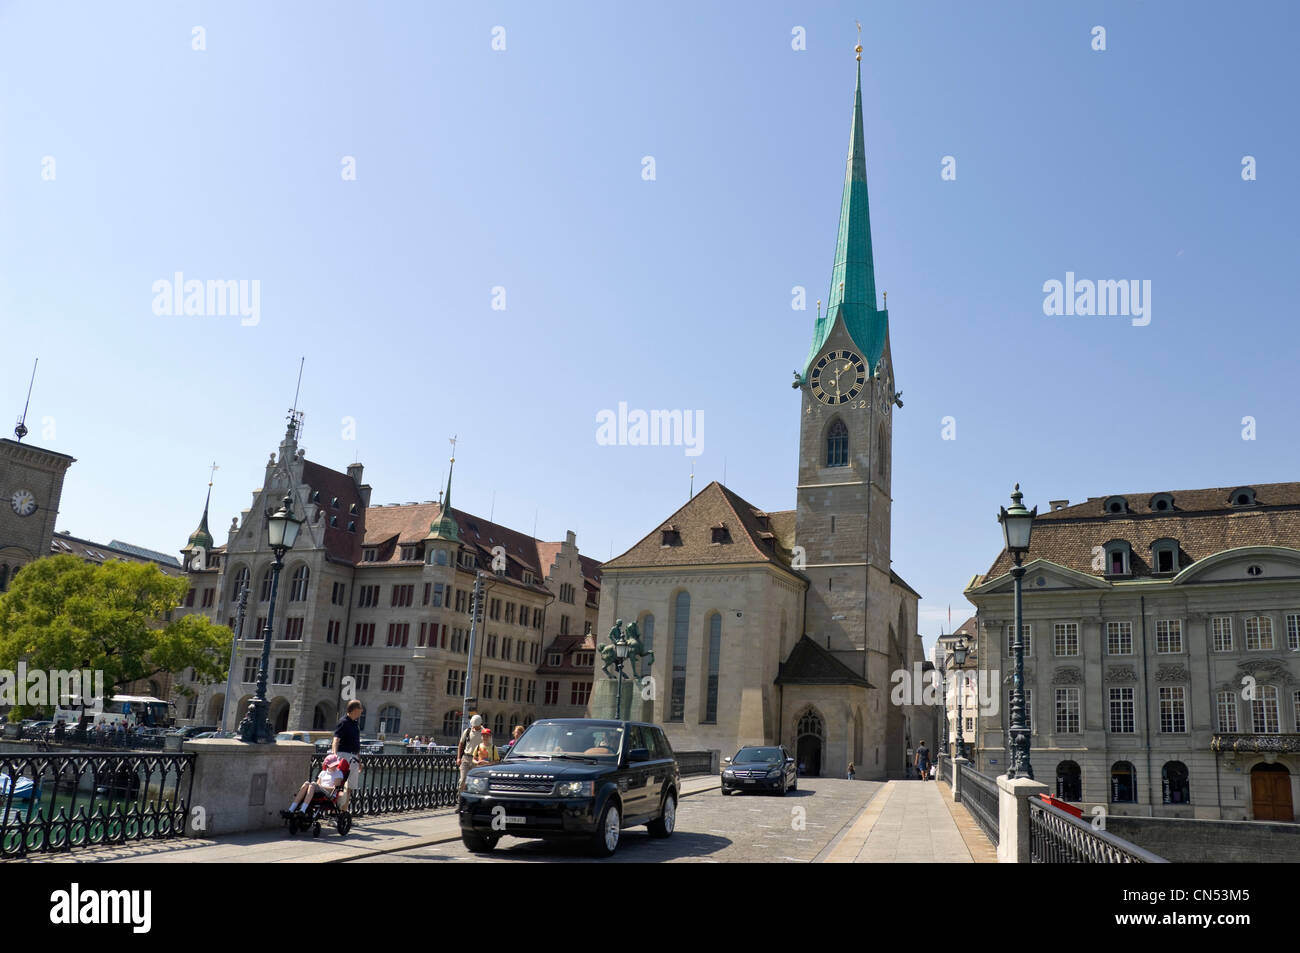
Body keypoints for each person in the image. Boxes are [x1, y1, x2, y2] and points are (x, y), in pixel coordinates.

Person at [332, 700, 364, 810]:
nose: (362, 712)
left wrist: (359, 760)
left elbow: (356, 744)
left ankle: (344, 814)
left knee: (349, 787)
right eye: (360, 709)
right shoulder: (343, 722)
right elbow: (336, 740)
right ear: (355, 710)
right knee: (339, 786)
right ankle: (334, 814)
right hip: (344, 757)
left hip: (354, 757)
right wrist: (334, 757)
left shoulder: (355, 723)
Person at [457, 714, 484, 791]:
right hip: (466, 758)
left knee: (476, 782)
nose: (474, 727)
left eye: (476, 725)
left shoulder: (484, 733)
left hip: (477, 759)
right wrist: (458, 758)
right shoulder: (467, 731)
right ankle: (460, 799)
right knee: (462, 780)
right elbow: (461, 744)